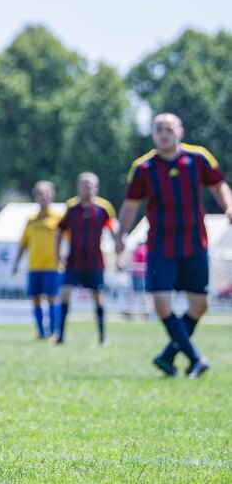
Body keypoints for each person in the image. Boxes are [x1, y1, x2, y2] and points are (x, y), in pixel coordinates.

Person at [114, 113, 232, 379]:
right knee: (161, 305)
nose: (164, 134)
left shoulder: (199, 158)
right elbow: (130, 205)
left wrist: (229, 206)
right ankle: (195, 358)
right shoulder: (143, 167)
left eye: (168, 129)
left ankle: (167, 357)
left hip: (194, 243)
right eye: (158, 129)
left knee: (200, 305)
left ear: (180, 131)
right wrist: (120, 235)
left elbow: (218, 186)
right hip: (160, 245)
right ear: (153, 134)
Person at [53, 173, 117, 345]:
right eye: (83, 184)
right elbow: (59, 230)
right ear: (78, 187)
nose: (86, 187)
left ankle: (103, 337)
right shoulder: (71, 207)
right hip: (74, 261)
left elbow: (113, 230)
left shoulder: (104, 208)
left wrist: (118, 255)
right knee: (65, 294)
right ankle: (60, 335)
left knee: (98, 298)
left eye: (90, 184)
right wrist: (57, 253)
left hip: (95, 261)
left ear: (96, 187)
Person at [11, 181, 62, 340]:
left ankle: (54, 332)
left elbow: (69, 239)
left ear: (52, 196)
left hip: (53, 266)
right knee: (36, 299)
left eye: (46, 194)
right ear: (36, 198)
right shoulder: (31, 220)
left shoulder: (58, 218)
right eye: (40, 195)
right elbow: (23, 243)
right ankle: (41, 332)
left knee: (52, 297)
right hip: (34, 266)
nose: (43, 198)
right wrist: (16, 263)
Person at [125, 244, 149, 318]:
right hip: (139, 275)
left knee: (140, 293)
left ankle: (145, 311)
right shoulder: (142, 250)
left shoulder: (137, 250)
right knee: (140, 293)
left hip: (138, 274)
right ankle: (144, 311)